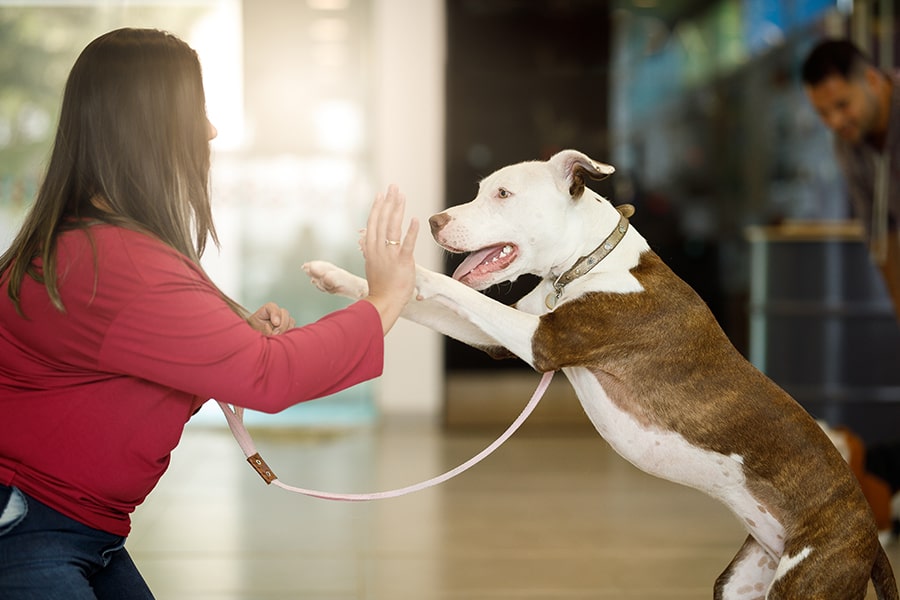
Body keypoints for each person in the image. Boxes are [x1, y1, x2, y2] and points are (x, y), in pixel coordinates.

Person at [0, 28, 418, 599]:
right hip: (31, 528)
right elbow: (269, 375)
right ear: (151, 127)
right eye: (196, 111)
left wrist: (225, 341)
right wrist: (385, 298)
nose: (211, 130)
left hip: (74, 525)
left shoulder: (90, 243)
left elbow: (115, 375)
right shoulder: (116, 261)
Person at [802, 38, 900, 316]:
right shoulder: (847, 141)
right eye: (823, 113)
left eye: (842, 104)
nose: (835, 122)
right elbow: (881, 235)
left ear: (872, 80)